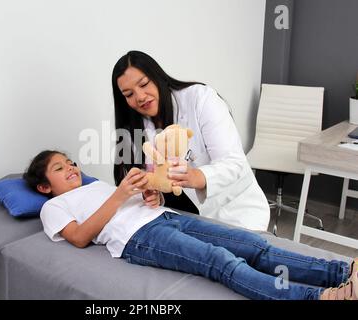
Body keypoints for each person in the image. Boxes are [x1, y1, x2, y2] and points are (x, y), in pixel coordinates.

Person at [23, 150, 357, 300]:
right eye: (59, 168)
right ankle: (317, 298)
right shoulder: (54, 206)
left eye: (70, 162)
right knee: (221, 261)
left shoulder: (96, 186)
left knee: (254, 245)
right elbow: (81, 237)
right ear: (43, 186)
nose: (70, 167)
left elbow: (135, 204)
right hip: (138, 239)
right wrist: (121, 193)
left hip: (165, 218)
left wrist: (152, 198)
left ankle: (343, 272)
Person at [111, 50, 270, 231]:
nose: (139, 97)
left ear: (157, 77)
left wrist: (195, 176)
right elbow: (157, 179)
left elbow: (234, 162)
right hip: (192, 216)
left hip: (238, 211)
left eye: (144, 84)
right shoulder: (137, 129)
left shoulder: (200, 99)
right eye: (129, 94)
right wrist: (155, 195)